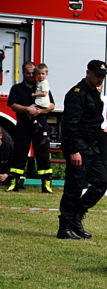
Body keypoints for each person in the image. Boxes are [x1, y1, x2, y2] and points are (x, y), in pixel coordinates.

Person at [57, 60, 107, 240]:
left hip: (92, 147)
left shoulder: (94, 92)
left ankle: (76, 216)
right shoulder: (77, 93)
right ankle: (64, 228)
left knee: (101, 183)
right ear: (88, 73)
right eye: (97, 75)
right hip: (78, 146)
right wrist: (73, 150)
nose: (100, 79)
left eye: (103, 76)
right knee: (74, 187)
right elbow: (70, 124)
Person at [6, 61, 55, 192]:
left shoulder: (42, 86)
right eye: (29, 73)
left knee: (43, 154)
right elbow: (13, 105)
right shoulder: (17, 89)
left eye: (34, 73)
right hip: (23, 126)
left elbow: (51, 105)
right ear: (23, 73)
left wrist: (38, 111)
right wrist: (27, 109)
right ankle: (15, 182)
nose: (32, 75)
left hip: (40, 126)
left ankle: (46, 184)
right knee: (19, 153)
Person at [32, 63, 51, 137]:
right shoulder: (39, 82)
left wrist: (34, 94)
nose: (41, 75)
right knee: (43, 119)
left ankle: (36, 124)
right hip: (41, 102)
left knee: (31, 109)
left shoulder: (44, 83)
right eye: (39, 74)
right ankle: (45, 134)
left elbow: (44, 93)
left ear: (47, 74)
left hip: (42, 103)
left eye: (43, 74)